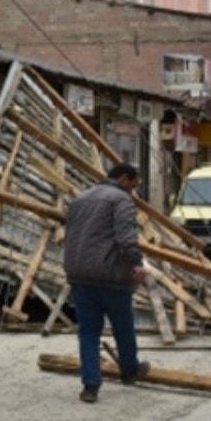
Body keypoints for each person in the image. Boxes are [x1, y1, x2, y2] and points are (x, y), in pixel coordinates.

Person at [63, 163, 150, 404]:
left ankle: (90, 386)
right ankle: (130, 370)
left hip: (79, 274)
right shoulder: (120, 200)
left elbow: (70, 235)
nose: (133, 191)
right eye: (133, 185)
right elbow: (126, 238)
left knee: (88, 332)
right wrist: (136, 264)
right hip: (110, 276)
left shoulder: (80, 198)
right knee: (123, 326)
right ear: (124, 178)